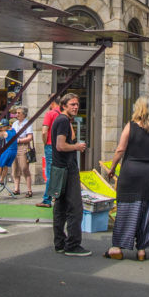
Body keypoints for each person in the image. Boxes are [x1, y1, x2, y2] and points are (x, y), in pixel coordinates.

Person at [105, 96, 149, 261]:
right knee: (148, 210)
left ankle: (117, 248)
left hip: (132, 173)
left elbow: (120, 150)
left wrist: (112, 168)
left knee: (128, 209)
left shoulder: (131, 126)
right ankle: (141, 249)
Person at [50, 93, 90, 256]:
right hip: (66, 169)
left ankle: (60, 242)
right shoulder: (63, 121)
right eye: (72, 104)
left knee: (61, 207)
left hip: (60, 168)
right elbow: (60, 146)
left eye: (77, 104)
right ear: (64, 106)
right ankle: (72, 244)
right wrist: (77, 147)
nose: (75, 107)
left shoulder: (62, 121)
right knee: (75, 207)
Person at [36, 98, 60, 208]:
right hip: (60, 146)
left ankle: (47, 199)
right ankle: (56, 196)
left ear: (51, 102)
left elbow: (44, 131)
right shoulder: (63, 114)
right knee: (58, 172)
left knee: (49, 173)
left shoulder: (50, 114)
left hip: (50, 145)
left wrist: (45, 143)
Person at [10, 106, 35, 197]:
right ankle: (16, 189)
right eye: (16, 113)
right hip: (14, 147)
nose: (17, 114)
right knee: (15, 168)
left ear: (24, 114)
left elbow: (29, 137)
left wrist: (19, 140)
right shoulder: (15, 123)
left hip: (23, 147)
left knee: (24, 168)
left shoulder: (27, 123)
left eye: (19, 113)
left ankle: (29, 190)